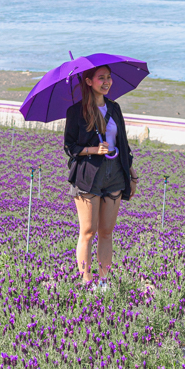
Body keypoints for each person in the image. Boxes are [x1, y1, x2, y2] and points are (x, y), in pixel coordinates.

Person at [64, 65, 139, 287]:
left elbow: (123, 145)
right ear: (88, 82)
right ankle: (87, 283)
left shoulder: (114, 108)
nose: (107, 82)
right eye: (101, 78)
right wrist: (93, 150)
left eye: (109, 78)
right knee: (88, 231)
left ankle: (104, 282)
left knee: (107, 232)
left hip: (115, 173)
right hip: (88, 175)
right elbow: (70, 147)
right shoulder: (76, 112)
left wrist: (132, 175)